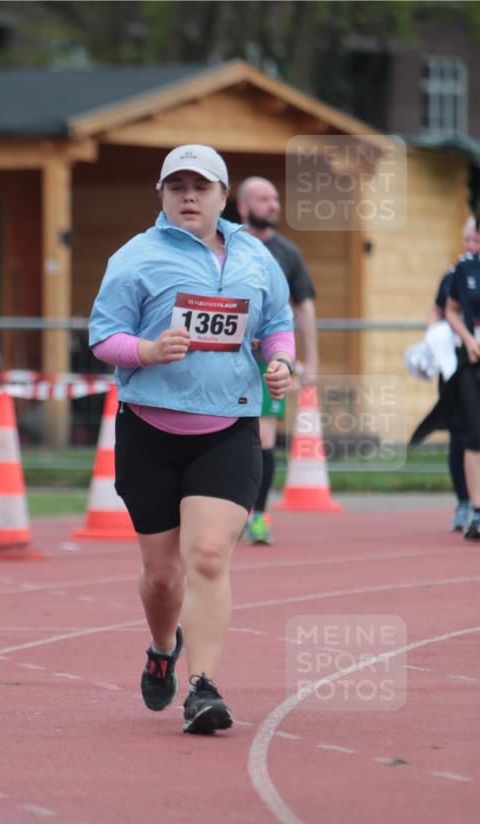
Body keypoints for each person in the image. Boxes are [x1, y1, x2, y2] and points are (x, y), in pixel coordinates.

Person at [89, 145, 295, 734]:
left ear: (223, 197)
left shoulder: (256, 257)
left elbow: (277, 325)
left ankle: (203, 687)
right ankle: (163, 649)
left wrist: (281, 363)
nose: (188, 196)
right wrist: (147, 350)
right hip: (150, 430)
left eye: (200, 187)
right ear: (161, 194)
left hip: (227, 427)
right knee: (162, 576)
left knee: (206, 555)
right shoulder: (136, 256)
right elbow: (103, 336)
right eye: (176, 186)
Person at [236, 176, 318, 544]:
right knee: (227, 436)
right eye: (263, 199)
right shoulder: (227, 245)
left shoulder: (287, 252)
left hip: (268, 360)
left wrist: (311, 360)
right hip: (226, 359)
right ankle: (229, 512)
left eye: (275, 198)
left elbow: (303, 306)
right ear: (243, 207)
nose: (273, 205)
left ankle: (258, 515)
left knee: (264, 436)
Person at [427, 218, 476, 531]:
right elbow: (440, 310)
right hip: (457, 363)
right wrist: (432, 340)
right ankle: (464, 502)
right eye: (467, 240)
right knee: (461, 433)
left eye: (476, 240)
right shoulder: (454, 274)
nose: (471, 246)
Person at [445, 214, 480, 540]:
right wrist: (468, 339)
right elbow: (451, 309)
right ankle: (477, 510)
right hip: (471, 361)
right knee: (474, 431)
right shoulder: (465, 269)